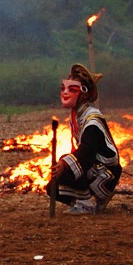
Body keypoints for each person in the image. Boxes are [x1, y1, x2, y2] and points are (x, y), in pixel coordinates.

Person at [49, 64, 120, 214]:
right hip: (92, 167)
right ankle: (82, 201)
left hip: (105, 172)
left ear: (85, 94)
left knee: (66, 165)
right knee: (53, 187)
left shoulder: (92, 119)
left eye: (72, 89)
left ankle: (87, 203)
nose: (66, 93)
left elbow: (87, 152)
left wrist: (65, 163)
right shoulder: (78, 116)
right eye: (64, 89)